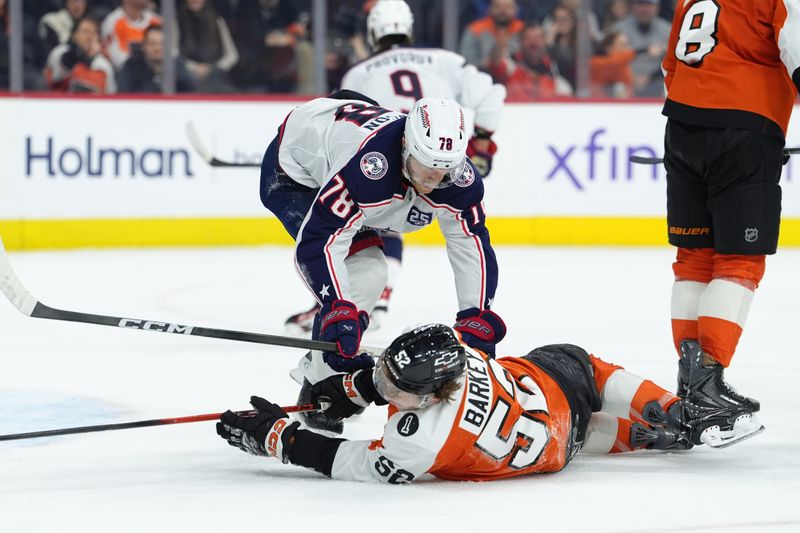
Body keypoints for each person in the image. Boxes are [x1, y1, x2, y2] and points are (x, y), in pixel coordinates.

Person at [216, 323, 755, 483]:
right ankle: (668, 409)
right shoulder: (457, 355)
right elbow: (399, 376)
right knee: (580, 362)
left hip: (551, 454)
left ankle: (641, 433)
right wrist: (354, 390)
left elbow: (347, 460)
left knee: (567, 427)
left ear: (427, 396)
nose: (384, 380)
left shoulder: (418, 442)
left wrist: (278, 438)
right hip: (550, 395)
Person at [259, 92, 504, 434]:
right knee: (369, 270)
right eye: (427, 167)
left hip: (345, 133)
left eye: (445, 170)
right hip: (297, 169)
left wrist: (475, 313)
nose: (434, 180)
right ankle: (319, 384)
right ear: (405, 147)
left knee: (368, 266)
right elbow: (318, 244)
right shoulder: (367, 169)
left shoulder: (458, 178)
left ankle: (327, 369)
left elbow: (470, 241)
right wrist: (336, 308)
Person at [284, 0, 506, 333]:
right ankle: (371, 298)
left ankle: (345, 302)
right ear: (409, 28)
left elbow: (344, 122)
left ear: (373, 32)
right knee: (396, 219)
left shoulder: (359, 71)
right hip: (436, 158)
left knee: (364, 220)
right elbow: (492, 94)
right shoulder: (445, 60)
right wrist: (483, 144)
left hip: (388, 157)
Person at [660, 0, 800, 444]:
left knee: (694, 259)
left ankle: (691, 386)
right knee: (740, 262)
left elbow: (671, 65)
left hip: (681, 123)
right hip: (745, 125)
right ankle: (707, 387)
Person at [175, 0, 239, 92]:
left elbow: (232, 55)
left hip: (215, 76)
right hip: (187, 77)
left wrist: (213, 69)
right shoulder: (177, 20)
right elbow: (172, 52)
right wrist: (193, 67)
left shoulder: (217, 20)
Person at [611, 0, 670, 96]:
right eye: (640, 4)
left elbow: (672, 62)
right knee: (617, 87)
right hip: (625, 80)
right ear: (632, 6)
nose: (644, 9)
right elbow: (611, 60)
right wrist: (630, 76)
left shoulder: (667, 29)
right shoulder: (618, 29)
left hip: (657, 80)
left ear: (657, 7)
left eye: (648, 5)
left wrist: (651, 77)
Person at [45, 16, 117, 94]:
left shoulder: (103, 64)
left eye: (93, 33)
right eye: (85, 32)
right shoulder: (60, 51)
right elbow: (56, 78)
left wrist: (91, 57)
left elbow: (110, 94)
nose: (89, 37)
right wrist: (87, 57)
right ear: (74, 35)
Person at [116, 24, 194, 92]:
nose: (157, 48)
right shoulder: (131, 67)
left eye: (162, 44)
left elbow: (189, 94)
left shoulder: (177, 65)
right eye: (152, 44)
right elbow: (125, 97)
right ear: (144, 46)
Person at [459, 0, 524, 73]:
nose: (502, 11)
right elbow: (466, 60)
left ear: (516, 9)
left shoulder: (524, 30)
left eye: (507, 7)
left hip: (518, 79)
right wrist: (490, 64)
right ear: (489, 9)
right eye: (498, 7)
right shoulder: (475, 29)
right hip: (483, 75)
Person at [101, 0, 161, 69]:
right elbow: (113, 55)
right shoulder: (113, 22)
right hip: (125, 73)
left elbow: (172, 53)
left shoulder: (156, 21)